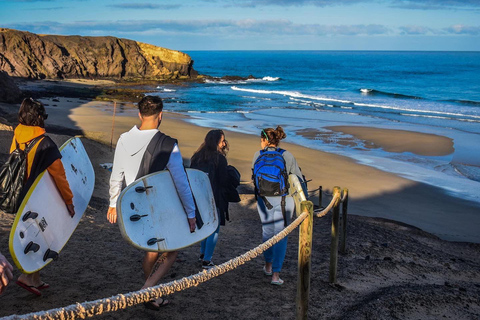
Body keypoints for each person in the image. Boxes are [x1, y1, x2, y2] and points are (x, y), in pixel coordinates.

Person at [107, 95, 196, 310]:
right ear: (161, 115)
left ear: (140, 114)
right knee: (171, 250)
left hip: (133, 205)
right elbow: (181, 181)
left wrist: (112, 203)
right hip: (157, 206)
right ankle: (147, 290)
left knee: (151, 250)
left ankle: (150, 294)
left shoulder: (123, 139)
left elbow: (116, 174)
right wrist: (191, 212)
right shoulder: (168, 144)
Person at [10, 98, 75, 296]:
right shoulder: (46, 144)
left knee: (33, 234)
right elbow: (60, 177)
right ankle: (27, 277)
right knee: (48, 237)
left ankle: (35, 279)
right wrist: (69, 202)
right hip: (39, 196)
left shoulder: (18, 135)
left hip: (20, 194)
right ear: (39, 117)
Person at [252, 126, 304, 286]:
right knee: (281, 235)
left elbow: (255, 177)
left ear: (264, 140)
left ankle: (267, 266)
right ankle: (276, 275)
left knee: (267, 231)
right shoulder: (287, 155)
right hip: (284, 200)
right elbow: (297, 180)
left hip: (264, 200)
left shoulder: (257, 155)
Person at [190, 130, 230, 269]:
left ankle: (202, 254)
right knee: (214, 227)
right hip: (214, 197)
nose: (225, 143)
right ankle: (207, 260)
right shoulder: (220, 159)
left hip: (198, 196)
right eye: (222, 140)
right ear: (216, 142)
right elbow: (223, 180)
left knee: (205, 225)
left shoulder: (196, 157)